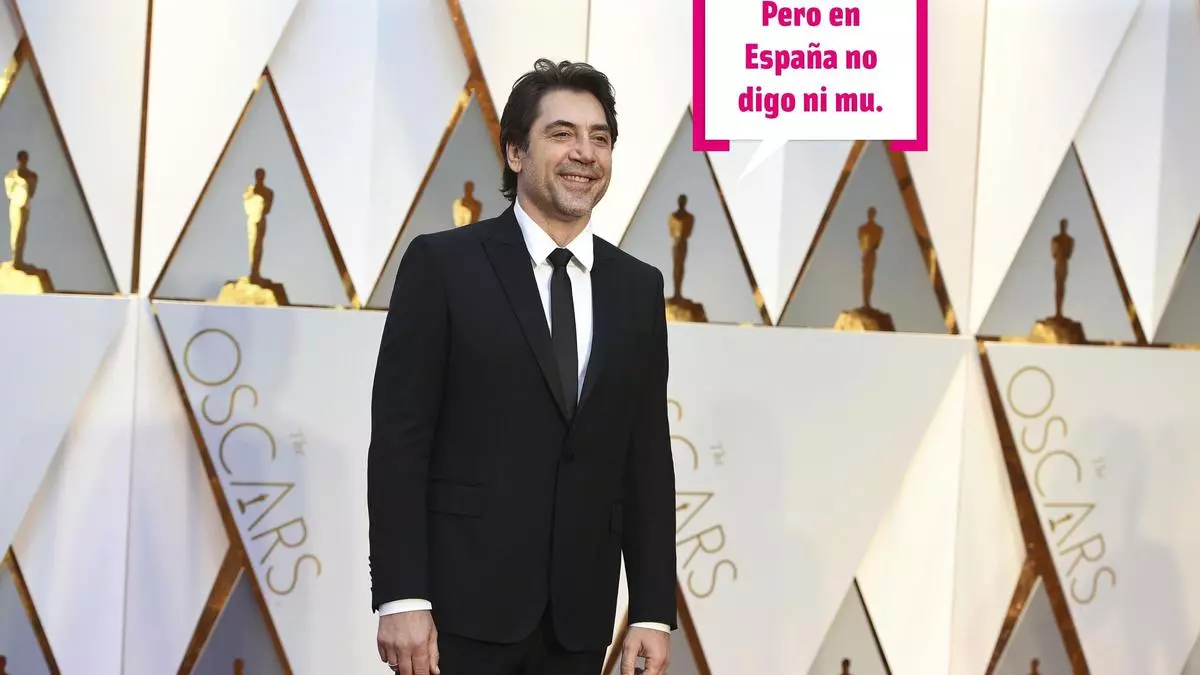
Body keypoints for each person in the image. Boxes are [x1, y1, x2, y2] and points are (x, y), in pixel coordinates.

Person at [368, 58, 676, 675]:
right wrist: (401, 596)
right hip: (456, 615)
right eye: (562, 134)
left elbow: (645, 455)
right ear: (515, 152)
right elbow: (401, 440)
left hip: (578, 621)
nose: (585, 153)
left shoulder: (637, 288)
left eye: (600, 138)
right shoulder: (442, 265)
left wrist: (651, 608)